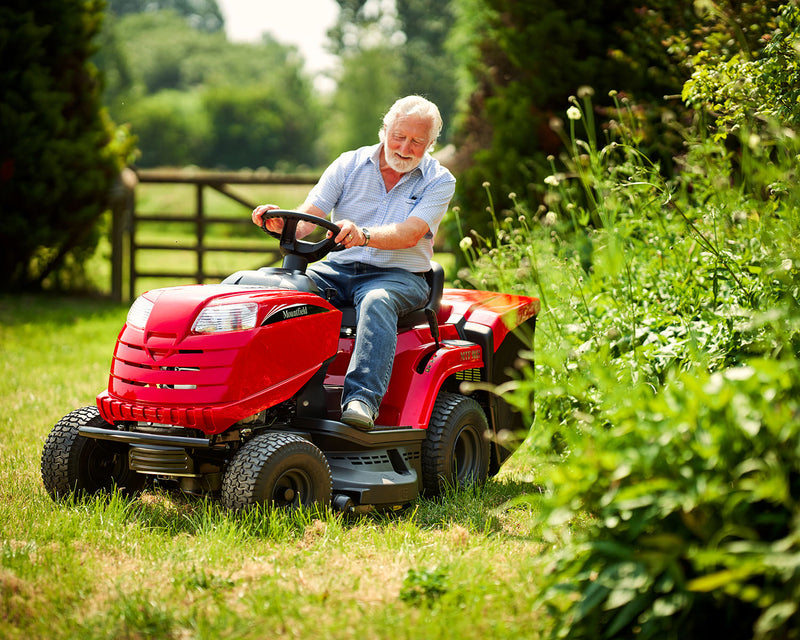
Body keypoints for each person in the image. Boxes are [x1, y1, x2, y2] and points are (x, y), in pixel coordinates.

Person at [251, 95, 456, 430]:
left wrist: (363, 235)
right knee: (277, 290)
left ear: (431, 144)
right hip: (339, 269)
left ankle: (362, 400)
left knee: (377, 301)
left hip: (401, 276)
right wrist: (280, 224)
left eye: (417, 141)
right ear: (384, 130)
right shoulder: (348, 163)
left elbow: (409, 233)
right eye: (399, 136)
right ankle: (266, 387)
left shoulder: (440, 180)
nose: (405, 147)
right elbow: (308, 221)